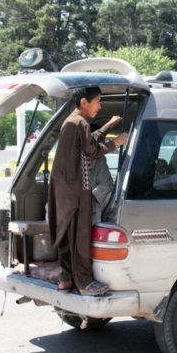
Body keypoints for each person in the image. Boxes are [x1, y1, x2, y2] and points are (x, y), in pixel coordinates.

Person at [47, 87, 127, 296]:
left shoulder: (71, 122)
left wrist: (108, 125)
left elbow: (89, 140)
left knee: (67, 237)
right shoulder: (79, 122)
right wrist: (116, 143)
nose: (99, 106)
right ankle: (84, 283)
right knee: (80, 239)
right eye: (97, 101)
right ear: (84, 102)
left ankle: (66, 279)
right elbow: (92, 150)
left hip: (65, 191)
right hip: (77, 191)